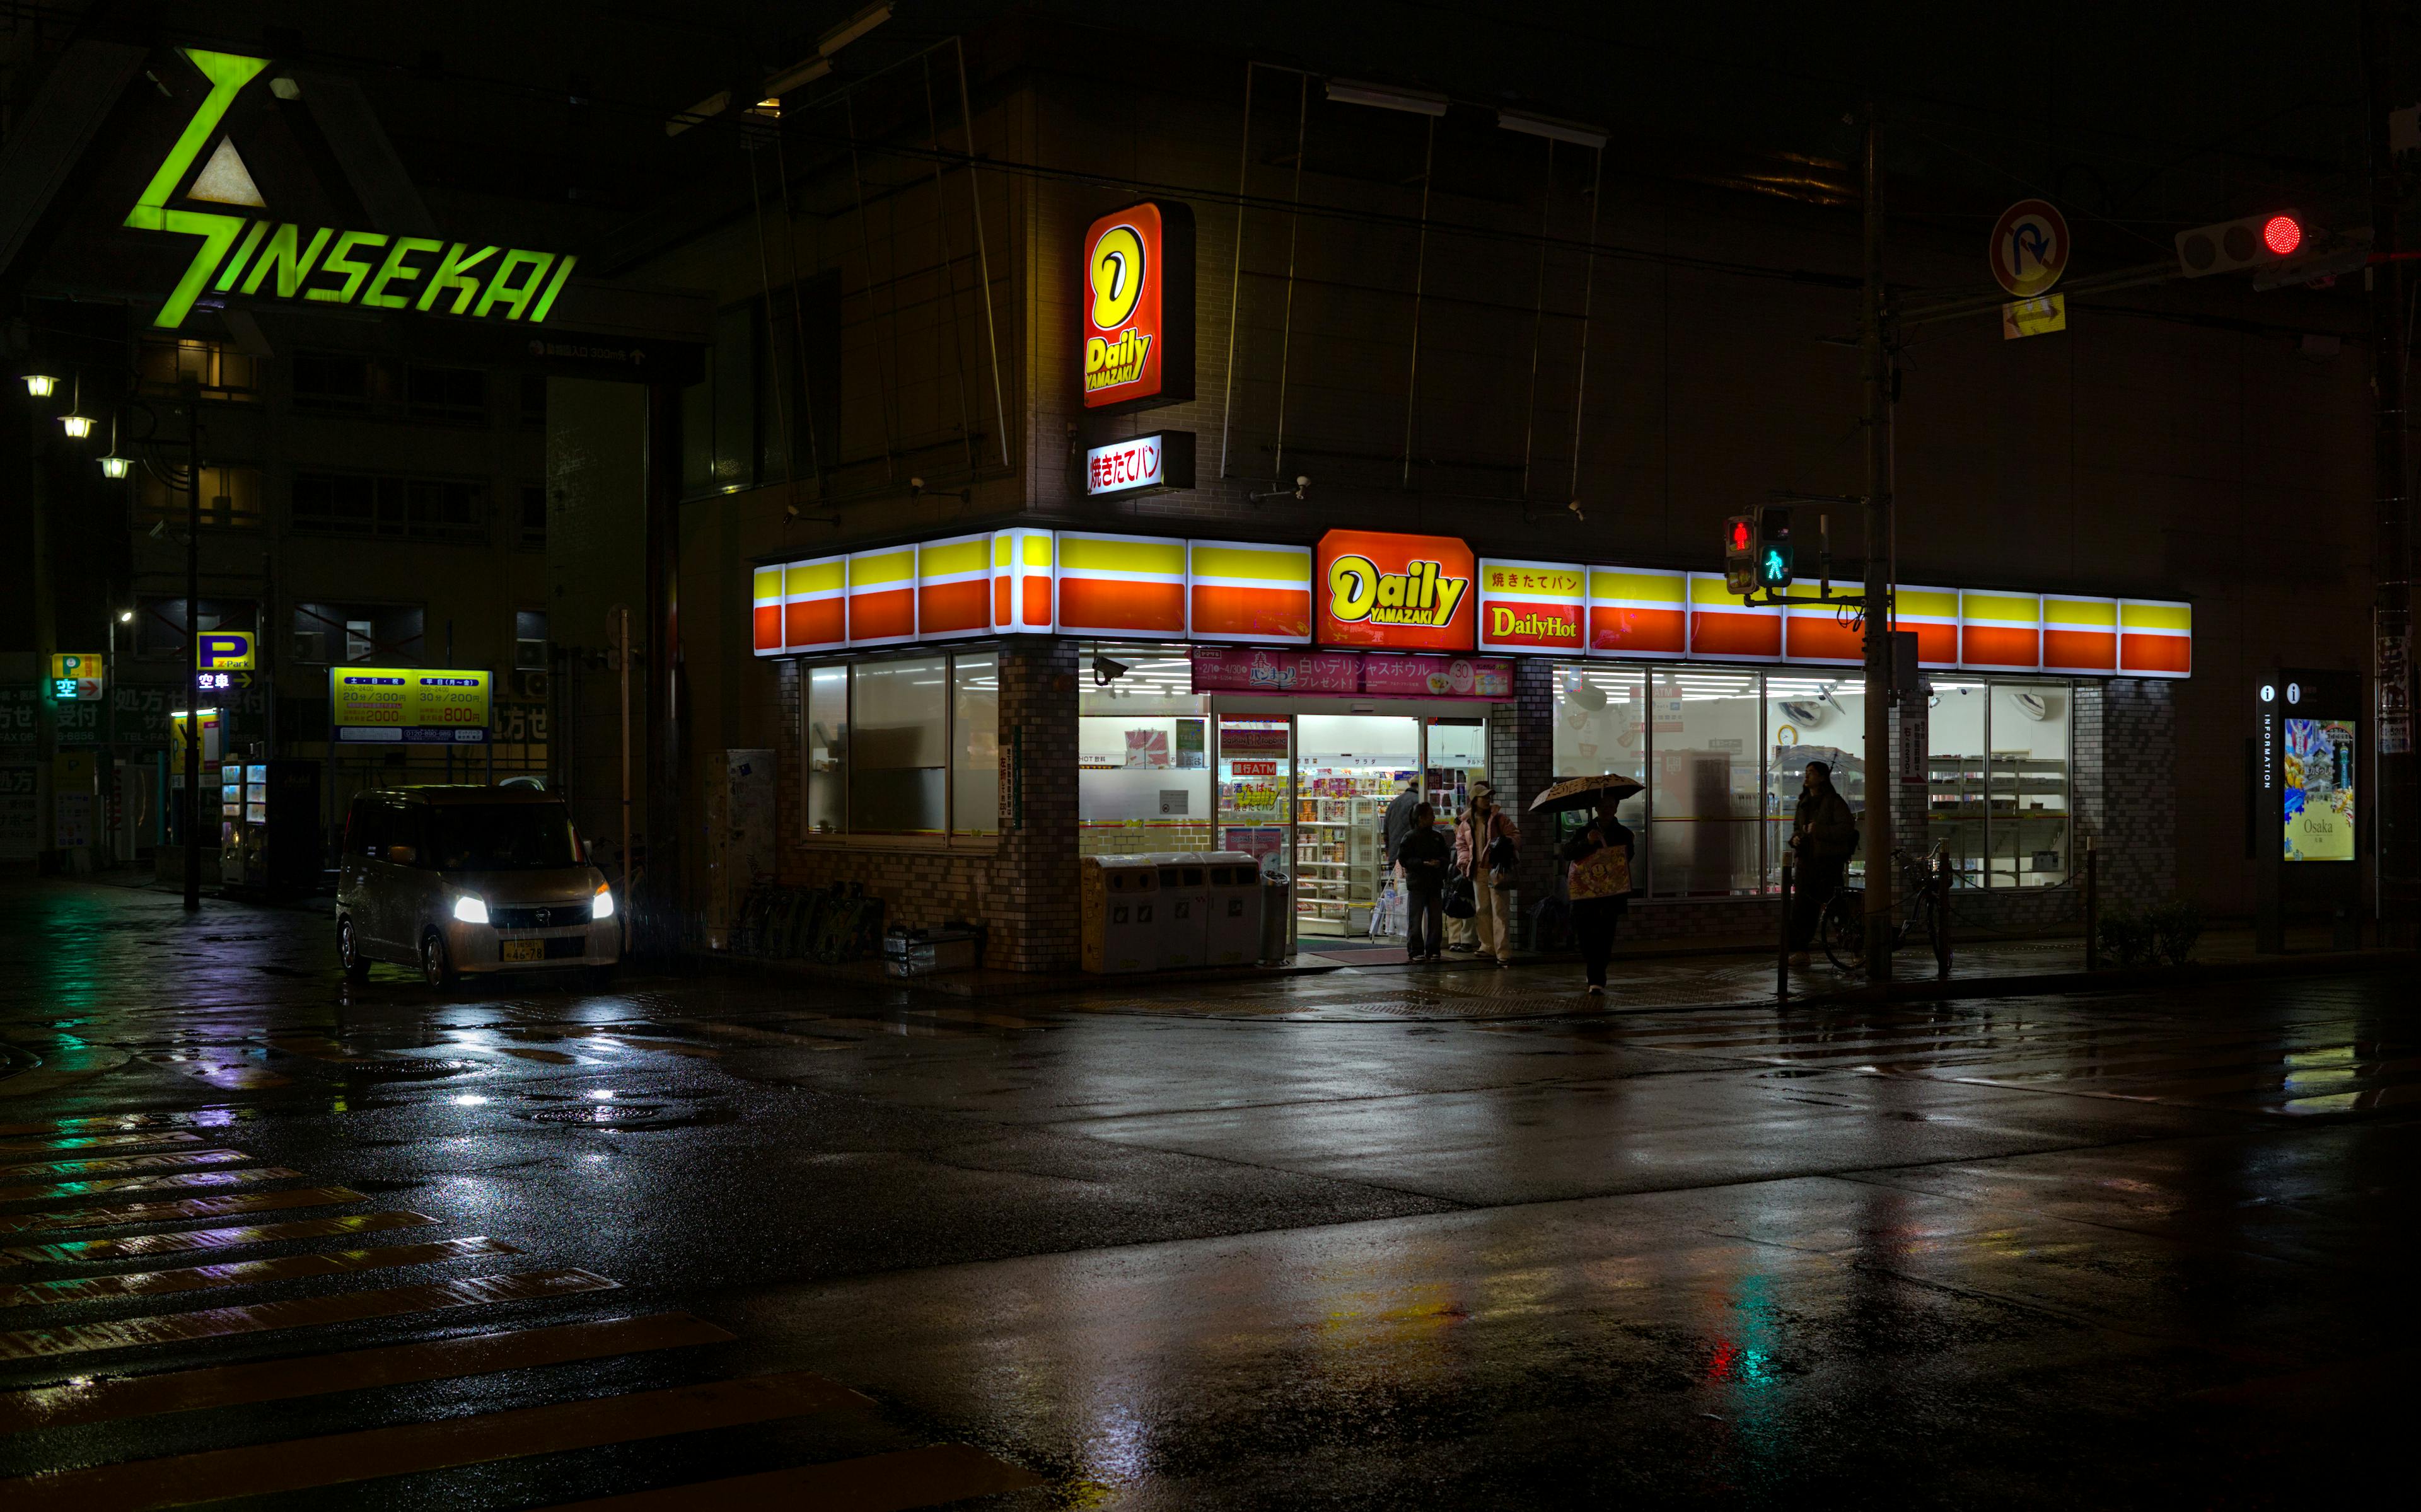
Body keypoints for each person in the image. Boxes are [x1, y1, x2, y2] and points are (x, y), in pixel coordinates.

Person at [1787, 759, 1859, 968]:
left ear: (1822, 777)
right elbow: (1797, 827)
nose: (1806, 776)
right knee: (1802, 910)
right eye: (1806, 772)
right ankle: (1801, 951)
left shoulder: (1834, 802)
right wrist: (1796, 838)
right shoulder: (1804, 802)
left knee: (1836, 908)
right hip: (1806, 862)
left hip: (1828, 864)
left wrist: (1819, 830)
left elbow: (1846, 829)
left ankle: (1854, 948)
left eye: (1811, 772)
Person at [1561, 798, 1634, 995]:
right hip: (1586, 895)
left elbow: (1628, 856)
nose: (1607, 810)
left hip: (1611, 895)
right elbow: (1567, 853)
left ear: (1616, 808)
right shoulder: (1584, 831)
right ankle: (1593, 969)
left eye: (1610, 806)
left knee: (1605, 937)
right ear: (1596, 808)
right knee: (1585, 937)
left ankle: (1596, 978)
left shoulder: (1624, 833)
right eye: (1603, 806)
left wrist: (1609, 850)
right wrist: (1588, 842)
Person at [1454, 782, 1521, 967]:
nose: (1487, 800)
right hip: (1478, 871)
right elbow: (1461, 845)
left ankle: (1502, 951)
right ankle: (1487, 946)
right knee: (1482, 909)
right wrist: (1464, 861)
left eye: (1488, 797)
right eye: (1483, 797)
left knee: (1500, 911)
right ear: (1474, 800)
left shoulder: (1499, 819)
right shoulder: (1466, 823)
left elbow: (1516, 836)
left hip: (1497, 870)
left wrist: (1506, 842)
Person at [1395, 802, 1451, 963]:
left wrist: (1439, 862)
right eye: (1431, 814)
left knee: (1433, 919)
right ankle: (1419, 950)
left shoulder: (1436, 837)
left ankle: (1429, 950)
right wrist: (1423, 863)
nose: (1434, 817)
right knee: (1418, 918)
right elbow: (1404, 859)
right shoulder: (1412, 837)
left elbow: (1446, 856)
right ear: (1421, 818)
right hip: (1419, 883)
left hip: (1430, 882)